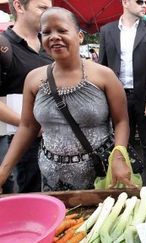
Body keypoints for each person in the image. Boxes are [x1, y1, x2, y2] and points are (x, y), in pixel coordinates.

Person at [0, 7, 134, 192]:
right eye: (46, 32)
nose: (54, 36)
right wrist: (3, 171)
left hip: (100, 175)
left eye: (62, 30)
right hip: (51, 178)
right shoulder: (33, 79)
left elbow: (121, 121)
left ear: (79, 37)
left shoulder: (104, 76)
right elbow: (28, 126)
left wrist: (119, 156)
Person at [99, 0, 146, 186]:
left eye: (145, 2)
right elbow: (102, 66)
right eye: (139, 1)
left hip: (144, 97)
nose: (144, 5)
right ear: (125, 2)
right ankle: (124, 183)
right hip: (116, 96)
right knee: (120, 144)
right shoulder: (107, 31)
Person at [0, 0, 53, 193]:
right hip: (15, 144)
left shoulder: (50, 45)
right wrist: (28, 124)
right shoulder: (4, 47)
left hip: (52, 142)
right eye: (42, 8)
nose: (48, 14)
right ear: (19, 7)